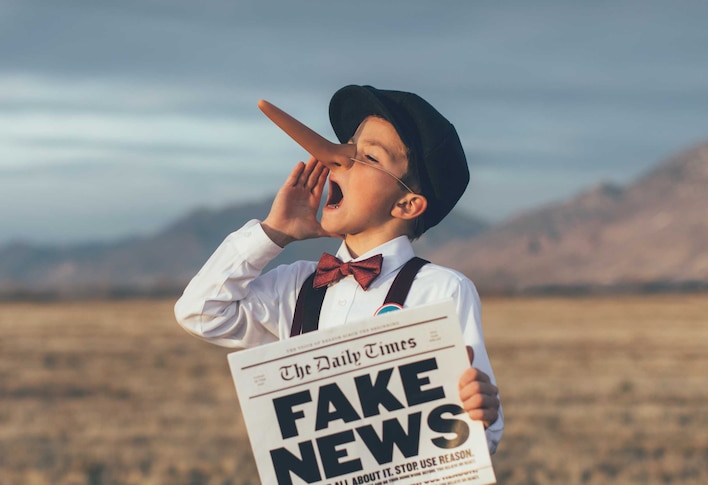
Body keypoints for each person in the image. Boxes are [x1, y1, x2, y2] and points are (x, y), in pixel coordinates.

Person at [174, 85, 503, 453]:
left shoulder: (444, 291)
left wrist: (482, 413)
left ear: (408, 205)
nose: (338, 161)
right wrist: (272, 233)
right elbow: (200, 312)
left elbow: (478, 438)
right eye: (348, 147)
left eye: (369, 157)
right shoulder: (296, 286)